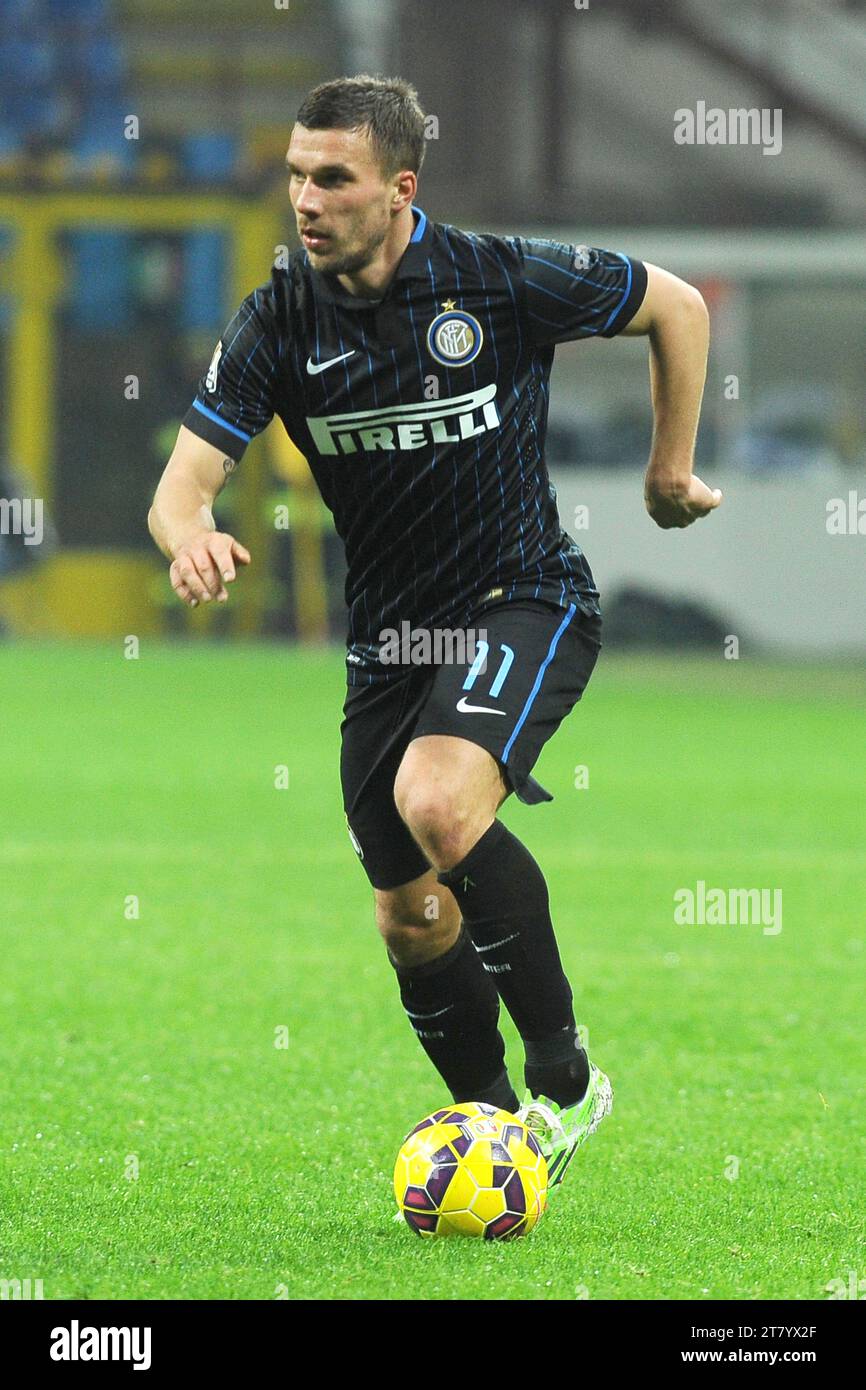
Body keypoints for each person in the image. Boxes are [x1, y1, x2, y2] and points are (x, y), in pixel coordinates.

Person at [147, 75, 721, 1191]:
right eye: (295, 175)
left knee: (436, 801)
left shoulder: (494, 277)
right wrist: (189, 536)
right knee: (408, 915)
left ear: (399, 189)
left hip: (525, 599)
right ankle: (494, 1132)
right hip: (388, 649)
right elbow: (181, 487)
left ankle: (564, 1076)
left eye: (332, 178)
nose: (303, 200)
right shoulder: (277, 320)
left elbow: (678, 306)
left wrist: (667, 468)